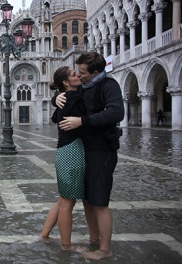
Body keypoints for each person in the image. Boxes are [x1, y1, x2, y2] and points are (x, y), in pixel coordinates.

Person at [54, 52, 124, 260]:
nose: (80, 76)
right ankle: (95, 239)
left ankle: (105, 250)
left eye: (83, 72)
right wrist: (56, 96)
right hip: (86, 150)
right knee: (88, 199)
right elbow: (69, 98)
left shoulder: (108, 86)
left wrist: (82, 121)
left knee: (100, 201)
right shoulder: (86, 86)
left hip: (102, 150)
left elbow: (116, 112)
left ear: (95, 72)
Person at [40, 66, 85, 251]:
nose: (79, 75)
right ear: (66, 82)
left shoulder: (65, 98)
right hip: (72, 151)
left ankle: (44, 235)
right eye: (75, 74)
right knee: (67, 202)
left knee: (63, 200)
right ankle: (66, 246)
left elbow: (54, 117)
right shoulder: (75, 97)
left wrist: (56, 96)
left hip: (64, 152)